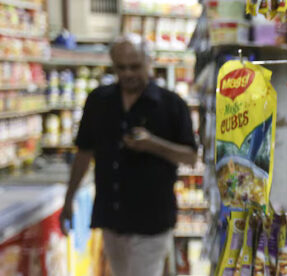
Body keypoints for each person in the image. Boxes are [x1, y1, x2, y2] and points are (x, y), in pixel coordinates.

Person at [60, 34, 198, 276]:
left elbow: (190, 157)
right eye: (120, 67)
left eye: (134, 66)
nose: (127, 74)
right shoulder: (98, 101)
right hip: (112, 217)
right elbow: (84, 152)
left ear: (149, 62)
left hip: (152, 219)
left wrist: (152, 145)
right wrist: (69, 199)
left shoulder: (172, 105)